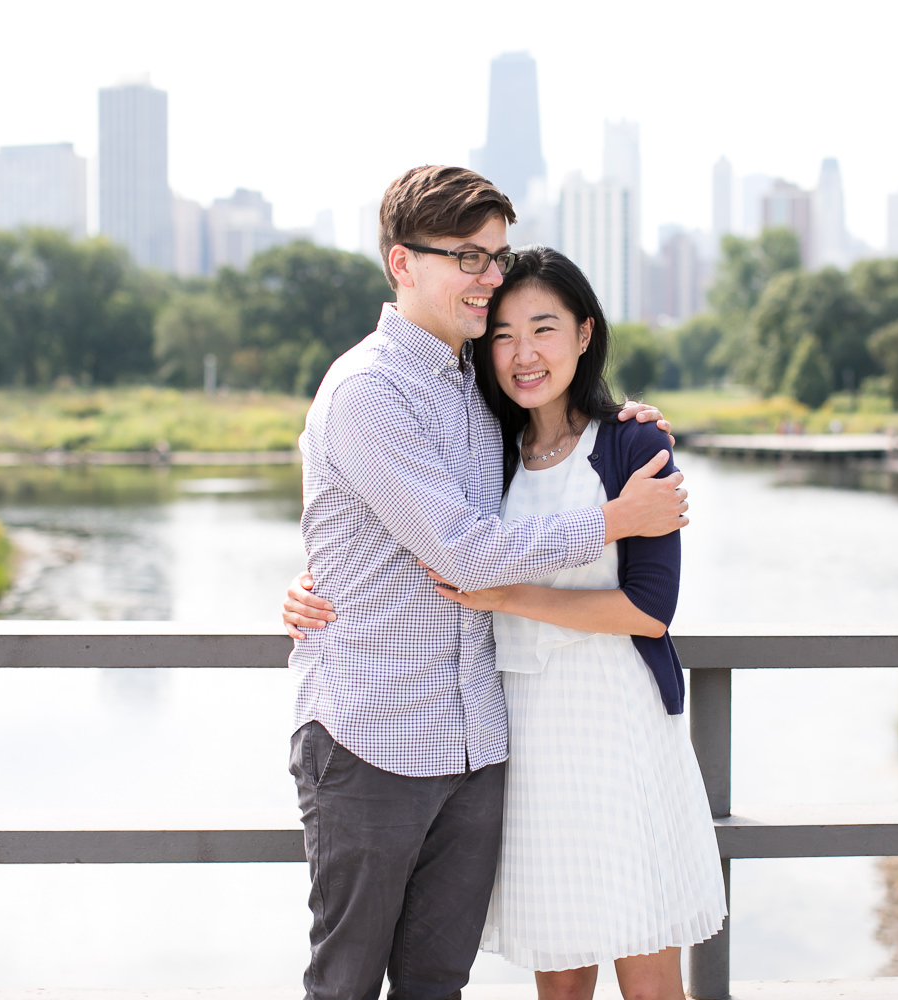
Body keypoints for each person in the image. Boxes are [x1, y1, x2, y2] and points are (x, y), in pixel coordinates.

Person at [283, 165, 687, 1000]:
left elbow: (554, 451)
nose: (488, 279)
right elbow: (463, 553)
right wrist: (619, 518)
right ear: (403, 264)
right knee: (347, 983)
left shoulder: (475, 386)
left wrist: (625, 422)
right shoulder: (369, 390)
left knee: (437, 985)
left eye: (495, 258)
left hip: (479, 746)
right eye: (468, 258)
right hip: (373, 738)